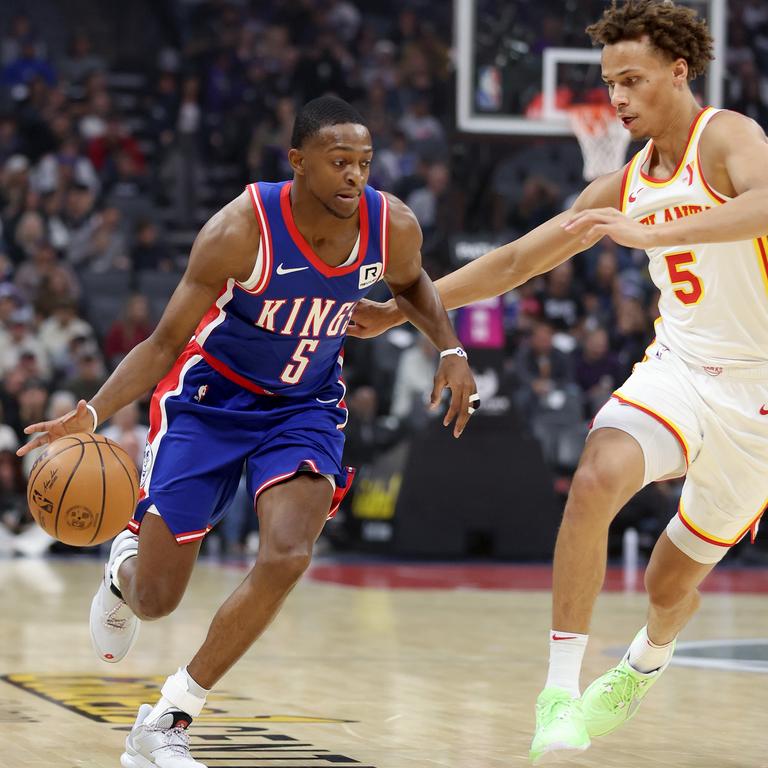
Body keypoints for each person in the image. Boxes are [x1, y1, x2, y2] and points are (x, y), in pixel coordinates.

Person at [349, 1, 768, 762]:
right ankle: (559, 696)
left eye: (633, 80)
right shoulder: (623, 182)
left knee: (670, 584)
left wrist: (652, 232)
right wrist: (409, 308)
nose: (617, 98)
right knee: (595, 475)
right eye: (610, 83)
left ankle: (647, 659)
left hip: (759, 398)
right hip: (677, 368)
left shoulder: (729, 137)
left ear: (680, 71)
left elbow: (767, 204)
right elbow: (516, 261)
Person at [19, 95, 476, 768]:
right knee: (156, 601)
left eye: (365, 163)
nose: (356, 176)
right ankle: (123, 569)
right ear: (298, 161)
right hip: (209, 403)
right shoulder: (240, 229)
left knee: (290, 553)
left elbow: (414, 286)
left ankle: (170, 716)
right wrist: (89, 413)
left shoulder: (392, 225)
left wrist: (450, 348)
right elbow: (163, 340)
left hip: (305, 405)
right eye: (339, 161)